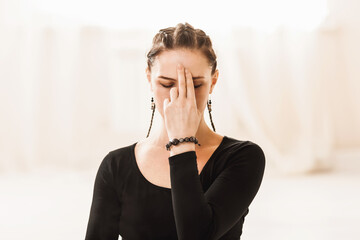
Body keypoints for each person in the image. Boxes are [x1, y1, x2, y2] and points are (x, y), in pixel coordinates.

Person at [85, 22, 265, 240]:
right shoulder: (116, 166)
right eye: (166, 84)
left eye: (195, 85)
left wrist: (181, 142)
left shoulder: (242, 157)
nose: (180, 97)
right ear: (149, 79)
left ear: (213, 81)